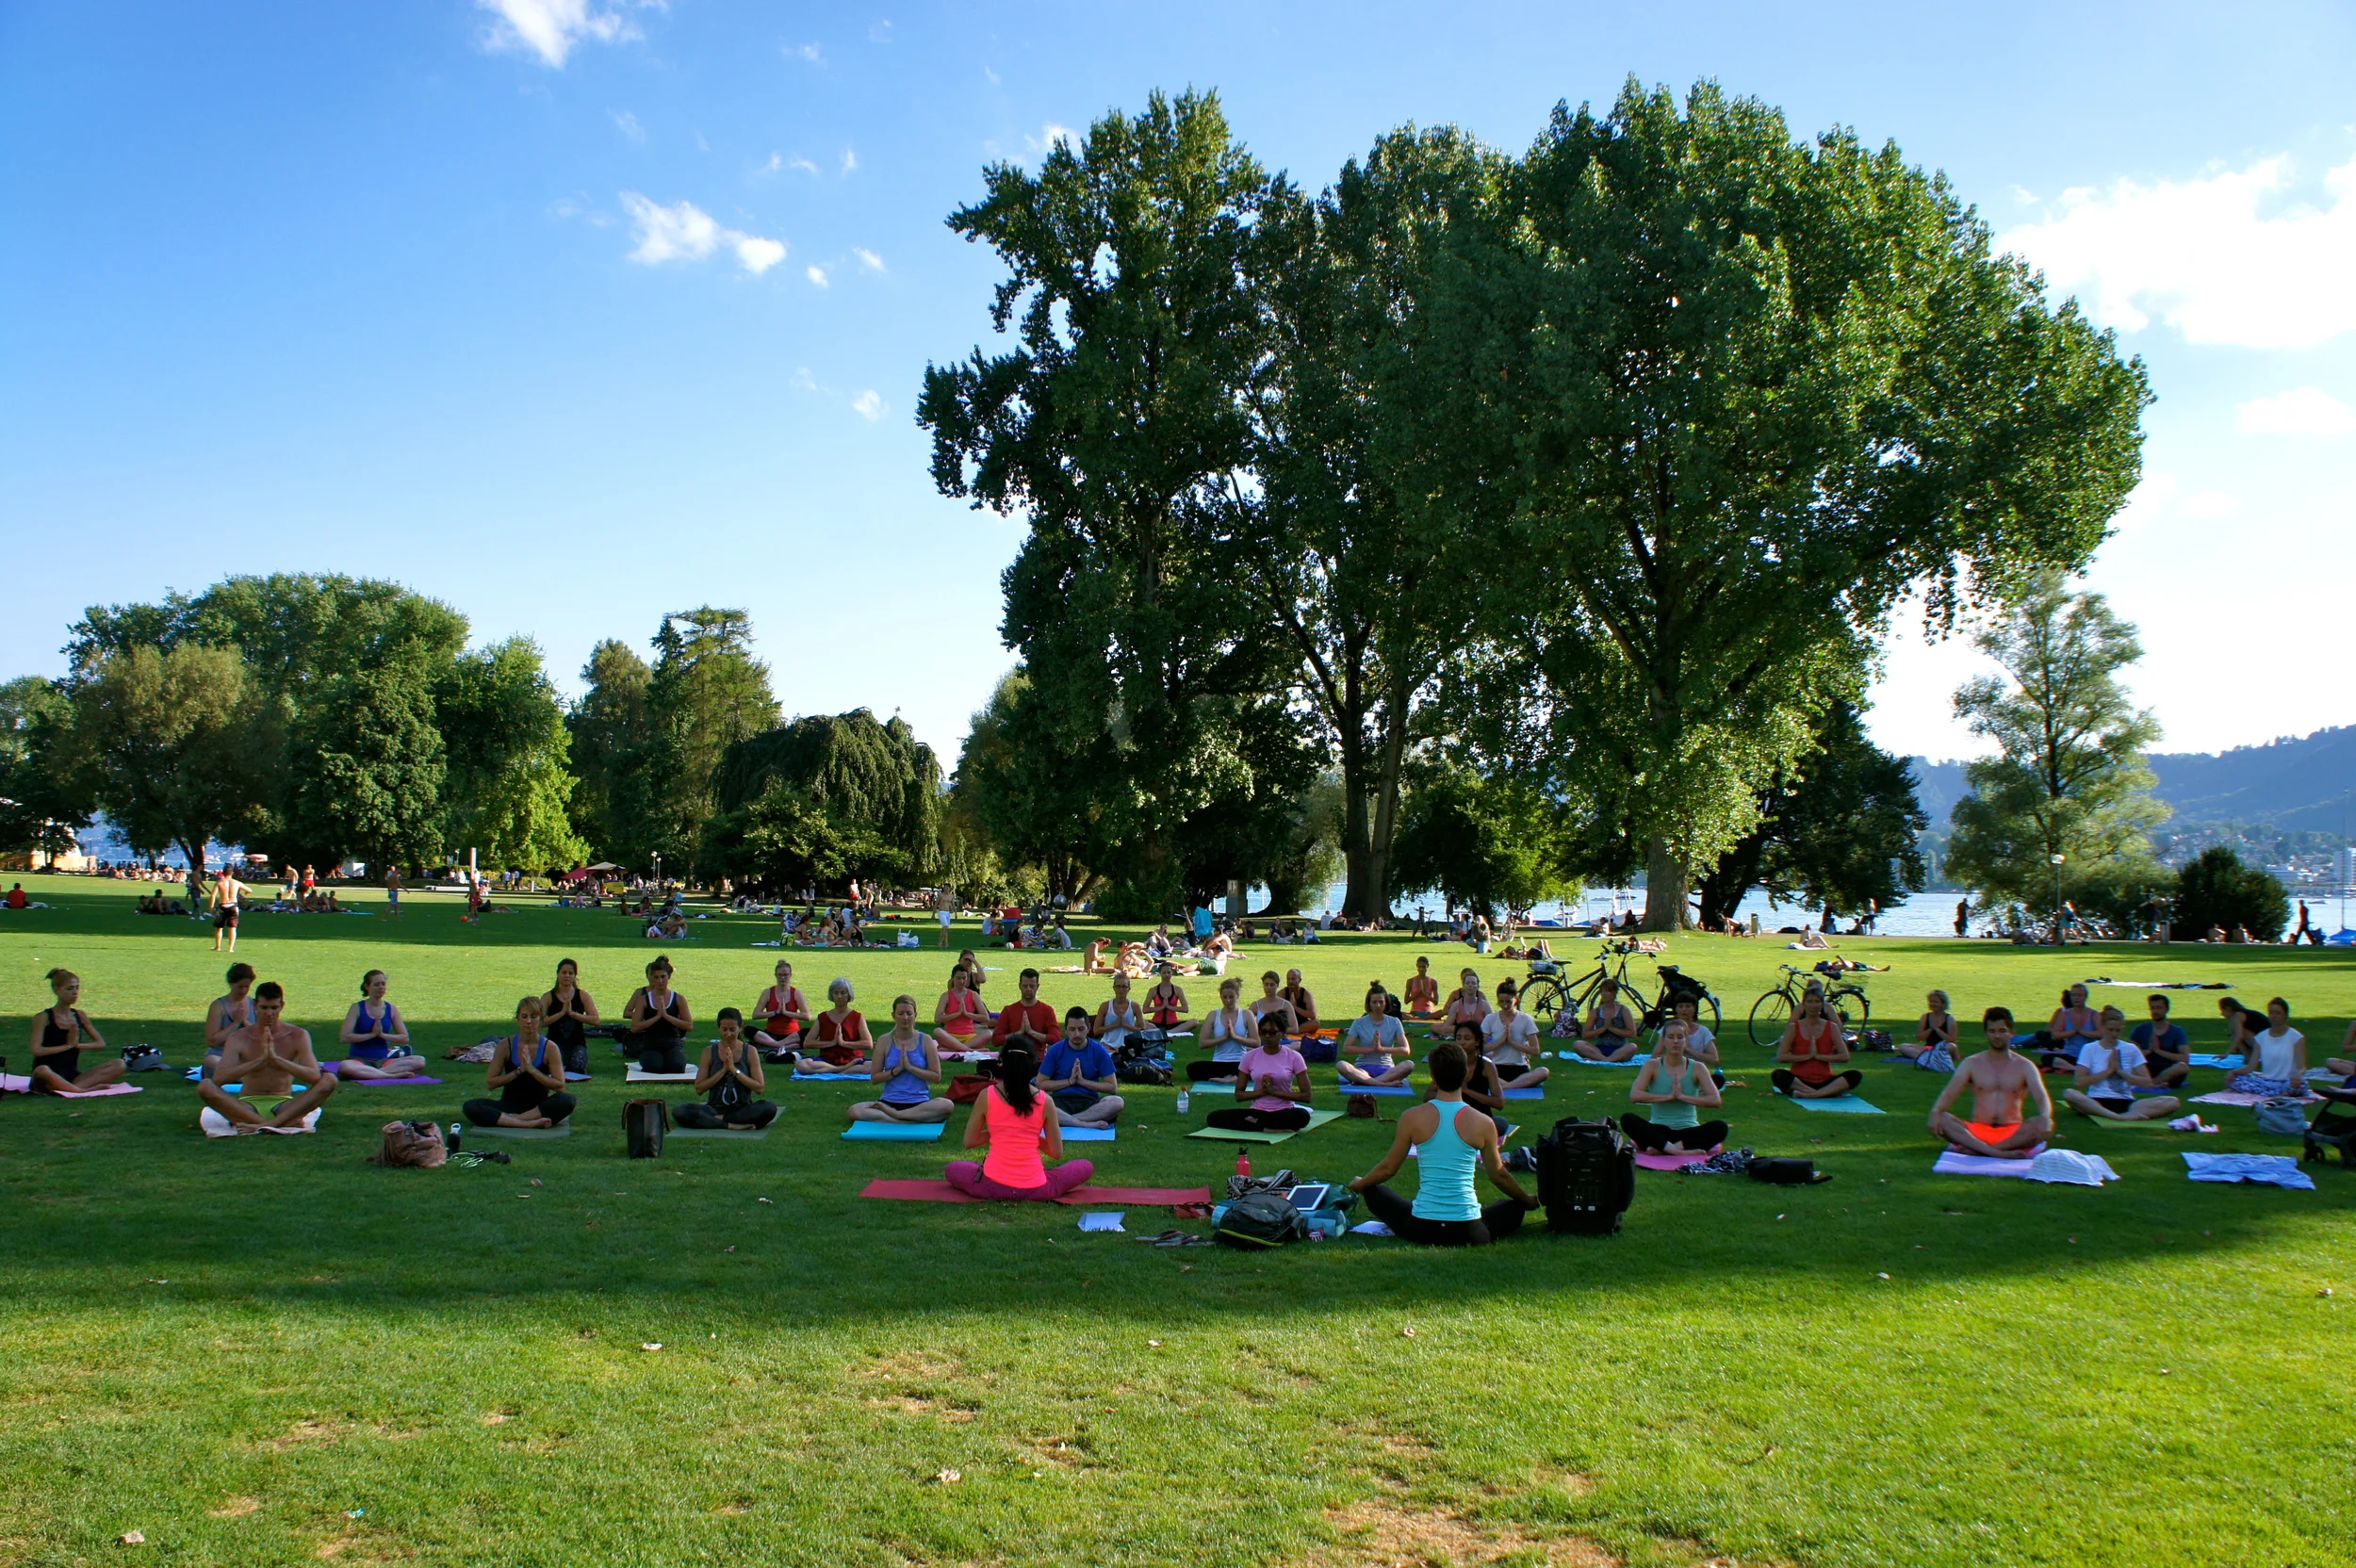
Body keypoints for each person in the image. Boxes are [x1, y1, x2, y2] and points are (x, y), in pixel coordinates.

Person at [1344, 1041, 1537, 1246]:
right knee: (1515, 1206)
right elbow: (1499, 1175)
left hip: (1421, 1228)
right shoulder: (1483, 1122)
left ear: (1432, 1076)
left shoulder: (1412, 1117)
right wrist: (1526, 1199)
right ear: (1466, 1074)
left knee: (1373, 1190)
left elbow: (1388, 1169)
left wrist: (1360, 1184)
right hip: (1469, 1231)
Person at [944, 1048, 1095, 1200]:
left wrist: (1001, 1132)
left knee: (953, 1168)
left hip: (991, 1186)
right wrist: (1028, 1135)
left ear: (1002, 1066)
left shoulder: (986, 1095)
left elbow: (970, 1141)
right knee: (1085, 1166)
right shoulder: (1045, 1101)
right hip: (1037, 1188)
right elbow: (1056, 1152)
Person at [201, 981, 339, 1130]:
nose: (269, 1013)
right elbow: (219, 1078)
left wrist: (277, 1059)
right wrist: (258, 1061)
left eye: (274, 1008)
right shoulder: (239, 1038)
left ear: (282, 1006)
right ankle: (275, 1124)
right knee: (205, 1086)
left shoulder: (297, 1035)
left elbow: (314, 1076)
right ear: (255, 1006)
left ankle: (264, 1125)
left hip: (284, 1105)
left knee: (330, 1080)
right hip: (248, 1105)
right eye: (264, 1007)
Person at [1928, 1006, 2054, 1158]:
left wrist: (2045, 1117)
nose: (1997, 1036)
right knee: (1943, 1118)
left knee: (2041, 1123)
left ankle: (1980, 1151)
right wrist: (1935, 1112)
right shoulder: (1972, 1063)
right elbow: (1949, 1093)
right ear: (1986, 1033)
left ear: (2012, 1032)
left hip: (2012, 1132)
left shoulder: (2025, 1066)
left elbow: (2041, 1097)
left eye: (2002, 1031)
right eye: (1992, 1031)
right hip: (1977, 1131)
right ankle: (1997, 1152)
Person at [464, 995, 578, 1128]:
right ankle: (526, 1124)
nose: (529, 1021)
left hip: (538, 1109)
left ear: (541, 1019)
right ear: (517, 1018)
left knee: (567, 1100)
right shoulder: (505, 1045)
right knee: (471, 1106)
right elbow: (491, 1083)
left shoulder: (550, 1048)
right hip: (508, 1106)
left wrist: (532, 1070)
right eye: (524, 1017)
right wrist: (519, 1071)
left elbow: (560, 1086)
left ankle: (517, 1120)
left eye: (534, 1017)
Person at [1623, 1020, 1727, 1154]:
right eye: (1671, 1037)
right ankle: (1677, 1151)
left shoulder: (1697, 1067)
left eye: (1680, 1037)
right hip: (1658, 1130)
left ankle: (1664, 1149)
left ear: (1686, 1041)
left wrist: (1682, 1097)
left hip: (1687, 1133)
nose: (1675, 1041)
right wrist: (1668, 1097)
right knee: (1628, 1119)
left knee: (1720, 1127)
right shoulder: (1652, 1065)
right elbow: (1635, 1095)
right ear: (1664, 1041)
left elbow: (1715, 1100)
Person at [2063, 1005, 2181, 1121]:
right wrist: (2108, 1071)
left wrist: (2121, 1072)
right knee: (2069, 1094)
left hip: (2126, 1101)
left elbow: (2147, 1083)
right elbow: (2079, 1082)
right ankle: (2117, 1117)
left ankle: (2124, 1115)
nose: (2114, 1034)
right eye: (2110, 1030)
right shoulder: (2090, 1048)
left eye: (2118, 1030)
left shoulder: (2131, 1049)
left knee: (2172, 1102)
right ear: (2102, 1027)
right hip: (2096, 1101)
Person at [849, 995, 956, 1123]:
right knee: (854, 1110)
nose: (905, 1018)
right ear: (893, 1015)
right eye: (900, 1013)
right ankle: (906, 1120)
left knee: (947, 1105)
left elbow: (936, 1077)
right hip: (889, 1102)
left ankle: (896, 1116)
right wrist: (897, 1070)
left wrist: (910, 1068)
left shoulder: (925, 1040)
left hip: (919, 1103)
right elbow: (875, 1078)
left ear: (915, 1015)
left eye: (909, 1014)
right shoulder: (884, 1040)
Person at [1204, 1014, 1313, 1133]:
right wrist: (1262, 1092)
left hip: (1284, 1111)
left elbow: (1306, 1096)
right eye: (1264, 1032)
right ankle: (1266, 1127)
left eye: (1272, 1032)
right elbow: (1239, 1095)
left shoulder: (1294, 1057)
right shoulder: (1250, 1056)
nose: (1267, 1036)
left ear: (1282, 1033)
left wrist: (1273, 1092)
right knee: (1214, 1117)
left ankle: (1256, 1124)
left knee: (1302, 1116)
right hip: (1257, 1111)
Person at [26, 969, 126, 1094]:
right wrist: (67, 1046)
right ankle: (80, 1091)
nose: (75, 992)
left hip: (72, 1077)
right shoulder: (43, 1017)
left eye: (77, 988)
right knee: (42, 1069)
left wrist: (77, 1045)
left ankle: (70, 1088)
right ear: (56, 990)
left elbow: (100, 1044)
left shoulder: (80, 1015)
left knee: (119, 1064)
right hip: (45, 1078)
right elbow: (36, 1050)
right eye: (69, 989)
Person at [677, 1009, 777, 1130]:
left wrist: (734, 1070)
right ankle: (729, 1124)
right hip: (714, 1108)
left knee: (769, 1107)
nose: (728, 1034)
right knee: (680, 1111)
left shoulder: (750, 1051)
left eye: (732, 1030)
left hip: (742, 1108)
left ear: (740, 1027)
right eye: (724, 1030)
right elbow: (699, 1088)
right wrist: (723, 1070)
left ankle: (722, 1119)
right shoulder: (709, 1051)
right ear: (719, 1028)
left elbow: (759, 1088)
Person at [1771, 986, 1863, 1099]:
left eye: (1817, 1002)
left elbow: (1845, 1057)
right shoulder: (1794, 1027)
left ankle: (1811, 1094)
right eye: (1810, 1002)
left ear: (1822, 1005)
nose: (1813, 1006)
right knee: (1778, 1075)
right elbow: (1781, 1057)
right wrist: (1808, 1056)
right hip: (1799, 1080)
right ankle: (1823, 1093)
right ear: (1804, 1005)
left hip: (1825, 1079)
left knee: (1855, 1075)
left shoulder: (1831, 1027)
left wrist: (1818, 1056)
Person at [1039, 1007, 1125, 1127]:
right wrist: (1069, 1081)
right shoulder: (1056, 1050)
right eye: (1072, 1030)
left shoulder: (1098, 1050)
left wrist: (1082, 1082)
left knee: (1117, 1102)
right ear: (1066, 1030)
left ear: (1088, 1028)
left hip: (1088, 1102)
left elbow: (1112, 1087)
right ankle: (1085, 1123)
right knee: (1037, 1101)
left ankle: (1069, 1121)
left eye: (1081, 1029)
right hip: (1060, 1100)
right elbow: (1041, 1084)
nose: (1077, 1034)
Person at [336, 971, 429, 1079]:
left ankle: (377, 1073)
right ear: (367, 986)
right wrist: (371, 1035)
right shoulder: (357, 1008)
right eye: (376, 984)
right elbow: (344, 1038)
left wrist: (382, 1035)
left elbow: (404, 1038)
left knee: (419, 1060)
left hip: (384, 1061)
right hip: (359, 1061)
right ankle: (390, 1076)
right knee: (345, 1066)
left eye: (383, 984)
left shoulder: (391, 1009)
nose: (381, 987)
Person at [1479, 979, 1552, 1088]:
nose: (1505, 1005)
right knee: (1477, 1070)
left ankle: (1506, 1086)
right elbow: (1480, 1049)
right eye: (1501, 1002)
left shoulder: (1525, 1019)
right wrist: (1501, 1041)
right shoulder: (1490, 1019)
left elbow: (1535, 1051)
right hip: (1497, 1067)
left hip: (1519, 1068)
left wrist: (1512, 1042)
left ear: (1516, 1000)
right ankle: (1514, 1085)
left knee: (1543, 1071)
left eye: (1508, 1002)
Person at [625, 956, 694, 1074]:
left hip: (672, 1044)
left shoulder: (678, 998)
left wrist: (666, 1016)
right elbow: (635, 1027)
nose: (660, 981)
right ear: (651, 978)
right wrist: (657, 1017)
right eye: (656, 977)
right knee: (654, 1067)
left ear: (669, 976)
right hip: (651, 1045)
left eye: (663, 977)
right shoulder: (643, 1000)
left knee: (676, 1067)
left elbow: (689, 1025)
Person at [2228, 997, 2307, 1097]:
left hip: (2288, 1081)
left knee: (2302, 1085)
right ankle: (2279, 1093)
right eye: (2271, 1013)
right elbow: (2251, 1066)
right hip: (2267, 1082)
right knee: (2236, 1080)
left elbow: (2302, 1067)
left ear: (2285, 1016)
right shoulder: (2261, 1037)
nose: (2273, 1016)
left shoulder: (2296, 1037)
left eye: (2278, 1013)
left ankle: (2280, 1093)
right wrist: (2233, 1072)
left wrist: (2298, 1076)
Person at [1337, 985, 1415, 1086]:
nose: (1378, 1006)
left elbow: (1406, 1050)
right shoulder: (1359, 1022)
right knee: (1341, 1065)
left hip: (1387, 1070)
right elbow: (1346, 1048)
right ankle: (1383, 1084)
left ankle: (1368, 1082)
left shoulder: (1394, 1022)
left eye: (1381, 1002)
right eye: (1374, 1002)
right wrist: (1371, 1049)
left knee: (1409, 1065)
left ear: (1386, 1003)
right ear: (1369, 1004)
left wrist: (1381, 1049)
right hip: (1362, 1069)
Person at [537, 957, 600, 1078]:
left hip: (577, 1043)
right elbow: (539, 1022)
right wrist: (561, 1013)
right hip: (554, 1044)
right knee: (556, 1067)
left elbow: (596, 1020)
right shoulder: (548, 997)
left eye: (571, 973)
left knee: (577, 1066)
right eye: (564, 972)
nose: (567, 976)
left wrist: (573, 1014)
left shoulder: (582, 995)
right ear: (558, 974)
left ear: (575, 976)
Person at [796, 977, 873, 1072]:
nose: (839, 996)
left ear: (849, 995)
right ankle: (842, 1070)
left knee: (873, 1066)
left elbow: (868, 1044)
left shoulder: (857, 1017)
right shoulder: (823, 1017)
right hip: (827, 1060)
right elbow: (807, 1043)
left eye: (843, 993)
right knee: (802, 1065)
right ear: (832, 995)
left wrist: (843, 1043)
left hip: (853, 1059)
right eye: (836, 993)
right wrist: (832, 1043)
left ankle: (833, 1070)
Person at [1189, 976, 1256, 1083]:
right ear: (1220, 996)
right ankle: (1232, 1077)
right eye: (1224, 997)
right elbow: (1202, 1043)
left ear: (1238, 996)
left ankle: (1229, 1077)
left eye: (1231, 997)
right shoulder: (1213, 1015)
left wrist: (1235, 1037)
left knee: (1261, 1068)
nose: (1228, 1000)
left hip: (1240, 1062)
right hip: (1219, 1062)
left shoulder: (1246, 1014)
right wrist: (1224, 1038)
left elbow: (1256, 1042)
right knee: (1192, 1068)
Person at [203, 962, 257, 1075]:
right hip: (222, 1056)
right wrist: (236, 1023)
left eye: (247, 987)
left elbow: (262, 1037)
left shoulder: (255, 1004)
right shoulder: (218, 1006)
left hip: (248, 1057)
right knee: (211, 1061)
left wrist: (245, 1022)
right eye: (240, 987)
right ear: (231, 984)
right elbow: (212, 1041)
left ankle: (240, 1075)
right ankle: (247, 1076)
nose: (244, 991)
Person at [990, 969, 1059, 1057]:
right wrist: (1018, 1033)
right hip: (1013, 1059)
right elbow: (996, 1040)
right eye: (1025, 986)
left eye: (1032, 986)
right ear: (1020, 986)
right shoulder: (1009, 1010)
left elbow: (1056, 1038)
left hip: (1037, 1060)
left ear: (1038, 986)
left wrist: (1031, 1032)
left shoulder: (1047, 1010)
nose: (1028, 989)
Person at [751, 959, 810, 1058]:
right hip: (771, 1035)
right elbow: (755, 1015)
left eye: (785, 975)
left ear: (790, 975)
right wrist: (775, 1012)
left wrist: (786, 1013)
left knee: (809, 1032)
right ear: (775, 975)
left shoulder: (796, 993)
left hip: (792, 1035)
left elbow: (807, 1016)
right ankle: (782, 1045)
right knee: (749, 1030)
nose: (783, 978)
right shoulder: (768, 992)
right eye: (780, 975)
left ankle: (774, 1045)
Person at [2131, 993, 2192, 1088]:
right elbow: (2129, 1055)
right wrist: (2148, 1051)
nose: (2155, 1011)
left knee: (2182, 1067)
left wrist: (2158, 1051)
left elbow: (2185, 1059)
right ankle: (2155, 1084)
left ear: (2167, 1009)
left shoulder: (2177, 1032)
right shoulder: (2140, 1029)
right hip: (2146, 1069)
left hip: (2168, 1070)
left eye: (2159, 1008)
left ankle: (2152, 1084)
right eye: (2152, 1008)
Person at [1571, 978, 1641, 1062]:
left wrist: (1611, 1028)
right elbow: (1585, 1034)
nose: (1603, 994)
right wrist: (1603, 1029)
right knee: (1578, 1044)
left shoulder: (1624, 1010)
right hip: (1599, 1050)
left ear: (1614, 993)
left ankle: (1603, 1060)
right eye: (1602, 991)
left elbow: (1632, 1034)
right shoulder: (1595, 1012)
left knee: (1632, 1046)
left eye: (1607, 991)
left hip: (1620, 1049)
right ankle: (1607, 1060)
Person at [933, 964, 990, 1045]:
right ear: (952, 978)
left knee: (989, 1034)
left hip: (969, 1036)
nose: (961, 981)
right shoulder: (946, 996)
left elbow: (985, 1017)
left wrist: (967, 1014)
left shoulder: (973, 995)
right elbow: (937, 1018)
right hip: (951, 1036)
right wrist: (957, 1013)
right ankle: (967, 1048)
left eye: (964, 978)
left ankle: (956, 1048)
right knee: (937, 1031)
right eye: (958, 978)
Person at [1904, 990, 1960, 1065]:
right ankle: (1933, 1058)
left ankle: (1928, 1058)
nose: (1932, 1004)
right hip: (1929, 1048)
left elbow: (1952, 1040)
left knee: (1952, 1046)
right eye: (1931, 1002)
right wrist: (1930, 1029)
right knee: (1903, 1047)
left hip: (1943, 1047)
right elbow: (1919, 1038)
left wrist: (1937, 1029)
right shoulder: (1925, 1017)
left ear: (1943, 1004)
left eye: (1935, 1002)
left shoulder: (1950, 1019)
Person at [1093, 972, 1143, 1049]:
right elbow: (1096, 1030)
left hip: (1128, 1047)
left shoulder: (1135, 1006)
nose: (1121, 989)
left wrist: (1125, 1025)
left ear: (1129, 989)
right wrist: (1115, 1025)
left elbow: (1142, 1029)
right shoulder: (1105, 1006)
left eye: (1124, 987)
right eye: (1118, 986)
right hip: (1107, 1046)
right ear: (1114, 988)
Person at [1440, 968, 1490, 1039]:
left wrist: (1474, 1027)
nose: (1470, 985)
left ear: (1477, 986)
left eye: (1473, 983)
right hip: (1462, 1036)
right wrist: (1465, 1027)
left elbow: (1492, 1025)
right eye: (1467, 983)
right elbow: (1446, 1028)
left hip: (1479, 1036)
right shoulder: (1456, 1005)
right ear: (1463, 986)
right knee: (1436, 1028)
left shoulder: (1484, 1005)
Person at [1251, 970, 1301, 1038]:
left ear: (1277, 985)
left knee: (1298, 1044)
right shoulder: (1255, 1005)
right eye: (1266, 984)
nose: (1268, 988)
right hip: (1262, 1039)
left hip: (1281, 1040)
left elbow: (1295, 1029)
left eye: (1272, 985)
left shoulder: (1286, 1005)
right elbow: (1246, 1024)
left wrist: (1276, 1031)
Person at [1143, 964, 1189, 1032]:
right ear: (1160, 973)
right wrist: (1161, 1007)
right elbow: (1145, 1010)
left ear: (1172, 973)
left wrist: (1169, 1007)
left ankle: (1168, 1032)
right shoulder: (1153, 990)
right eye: (1164, 972)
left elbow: (1186, 1009)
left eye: (1168, 972)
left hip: (1173, 1024)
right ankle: (1161, 1031)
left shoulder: (1178, 990)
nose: (1166, 975)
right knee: (1139, 1021)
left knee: (1194, 1022)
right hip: (1156, 1023)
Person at [209, 866, 245, 953]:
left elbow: (213, 895)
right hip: (233, 906)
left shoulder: (219, 882)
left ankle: (218, 947)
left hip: (222, 906)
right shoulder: (237, 883)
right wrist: (246, 893)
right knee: (232, 928)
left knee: (219, 927)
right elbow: (249, 890)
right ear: (232, 873)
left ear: (223, 873)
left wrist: (211, 907)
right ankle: (230, 948)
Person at [1280, 969, 1319, 1037]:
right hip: (1287, 1024)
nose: (1290, 981)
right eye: (1288, 979)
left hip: (1301, 1024)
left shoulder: (1306, 994)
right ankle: (1294, 1032)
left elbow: (1312, 1015)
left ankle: (1294, 1032)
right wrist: (1289, 1007)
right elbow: (1274, 1012)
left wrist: (1295, 1007)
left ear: (1300, 980)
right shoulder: (1282, 993)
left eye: (1293, 979)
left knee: (1316, 1023)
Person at [1403, 956, 1440, 1021]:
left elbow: (1436, 1002)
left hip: (1428, 1013)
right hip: (1414, 1012)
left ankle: (1420, 1018)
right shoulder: (1410, 981)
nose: (1421, 969)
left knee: (1441, 1012)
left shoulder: (1433, 982)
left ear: (1427, 966)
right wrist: (1417, 993)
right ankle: (1421, 1019)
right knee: (1399, 1014)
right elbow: (1406, 1001)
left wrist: (1423, 993)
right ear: (1416, 966)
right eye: (1419, 967)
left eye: (1423, 967)